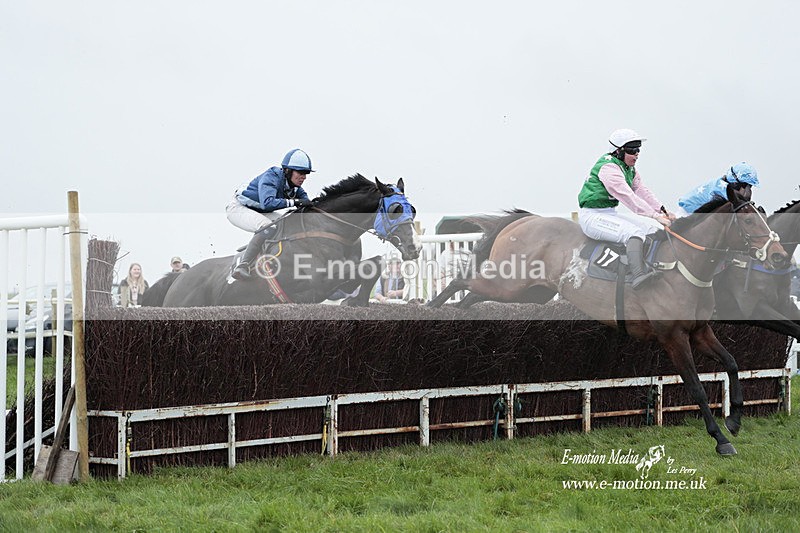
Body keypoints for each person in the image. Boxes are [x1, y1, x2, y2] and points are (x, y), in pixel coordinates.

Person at [577, 129, 676, 290]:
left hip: (609, 213)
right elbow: (629, 197)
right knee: (634, 233)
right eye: (632, 150)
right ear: (618, 151)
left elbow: (642, 191)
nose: (636, 154)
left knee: (652, 229)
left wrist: (662, 211)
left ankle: (650, 265)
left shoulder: (629, 168)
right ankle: (637, 275)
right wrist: (654, 215)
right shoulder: (608, 168)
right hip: (592, 217)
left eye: (638, 150)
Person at [226, 149, 315, 280]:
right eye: (300, 172)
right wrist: (295, 202)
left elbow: (306, 204)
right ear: (288, 170)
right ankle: (243, 265)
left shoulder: (295, 188)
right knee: (267, 227)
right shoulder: (271, 176)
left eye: (306, 173)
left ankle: (261, 246)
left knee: (287, 224)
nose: (304, 177)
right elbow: (267, 203)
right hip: (238, 208)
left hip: (259, 211)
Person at [676, 163, 759, 216]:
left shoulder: (722, 185)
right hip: (687, 214)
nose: (747, 190)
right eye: (745, 185)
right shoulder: (721, 191)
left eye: (750, 186)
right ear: (735, 182)